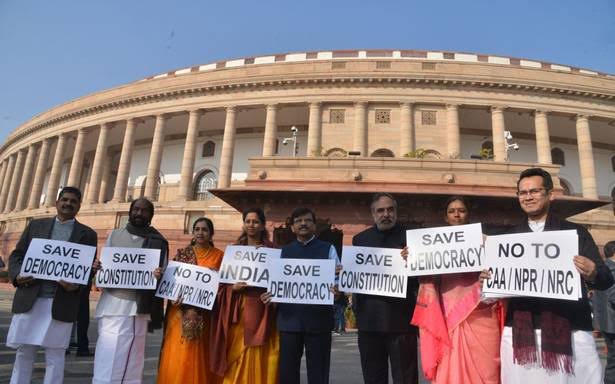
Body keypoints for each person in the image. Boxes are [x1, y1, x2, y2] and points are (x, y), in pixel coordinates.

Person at [500, 167, 613, 383]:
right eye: (522, 193)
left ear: (550, 195)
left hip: (571, 331)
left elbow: (605, 279)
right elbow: (495, 286)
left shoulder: (576, 233)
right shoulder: (507, 239)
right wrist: (488, 280)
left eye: (534, 191)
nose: (528, 197)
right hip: (522, 333)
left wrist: (592, 272)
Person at [6, 186, 98, 384]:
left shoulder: (87, 234)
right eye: (64, 199)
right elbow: (17, 255)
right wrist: (18, 275)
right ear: (57, 202)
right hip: (31, 298)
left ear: (79, 206)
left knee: (55, 356)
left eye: (73, 201)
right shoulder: (35, 226)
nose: (68, 204)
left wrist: (76, 285)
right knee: (24, 352)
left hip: (61, 301)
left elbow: (86, 270)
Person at [411, 196, 503, 383]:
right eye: (452, 211)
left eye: (461, 210)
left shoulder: (486, 242)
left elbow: (500, 274)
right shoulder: (434, 245)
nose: (457, 214)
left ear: (468, 214)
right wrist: (412, 257)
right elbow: (427, 276)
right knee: (449, 366)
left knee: (486, 368)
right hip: (447, 315)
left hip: (481, 313)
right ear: (446, 217)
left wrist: (487, 280)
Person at [92, 197, 167, 384]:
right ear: (130, 211)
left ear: (151, 215)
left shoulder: (159, 241)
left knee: (133, 358)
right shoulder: (114, 235)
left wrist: (159, 274)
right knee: (106, 354)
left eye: (144, 210)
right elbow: (105, 267)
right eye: (136, 209)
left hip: (137, 308)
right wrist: (98, 268)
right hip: (110, 303)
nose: (139, 213)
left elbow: (164, 276)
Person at [262, 207, 340, 384]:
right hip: (290, 322)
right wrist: (270, 296)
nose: (303, 224)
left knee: (318, 373)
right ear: (292, 227)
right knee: (288, 373)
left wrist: (336, 292)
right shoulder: (282, 252)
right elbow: (275, 284)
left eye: (307, 220)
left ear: (314, 225)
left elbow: (337, 281)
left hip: (319, 322)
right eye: (298, 221)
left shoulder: (328, 249)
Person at [352, 193, 418, 384]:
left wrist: (413, 261)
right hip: (369, 324)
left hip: (402, 323)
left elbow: (421, 278)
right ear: (373, 214)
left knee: (406, 377)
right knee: (373, 378)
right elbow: (354, 278)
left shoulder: (412, 239)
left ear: (396, 212)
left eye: (390, 209)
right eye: (380, 210)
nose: (386, 214)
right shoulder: (360, 240)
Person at [210, 207, 279, 383]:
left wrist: (273, 296)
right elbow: (222, 284)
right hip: (238, 311)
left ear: (263, 225)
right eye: (248, 221)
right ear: (243, 224)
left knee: (260, 353)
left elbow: (280, 283)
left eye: (255, 221)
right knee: (235, 354)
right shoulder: (234, 251)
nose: (251, 225)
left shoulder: (272, 251)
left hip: (262, 311)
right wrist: (232, 288)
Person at [156, 217, 224, 384]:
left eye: (205, 230)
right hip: (179, 313)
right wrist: (172, 297)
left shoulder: (220, 256)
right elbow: (172, 283)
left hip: (205, 315)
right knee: (179, 352)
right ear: (193, 232)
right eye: (197, 229)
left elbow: (223, 287)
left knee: (198, 353)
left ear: (211, 234)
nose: (201, 233)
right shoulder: (182, 254)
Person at [591, 241, 615, 383]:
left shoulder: (602, 268)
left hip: (606, 321)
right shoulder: (613, 269)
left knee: (612, 359)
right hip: (612, 321)